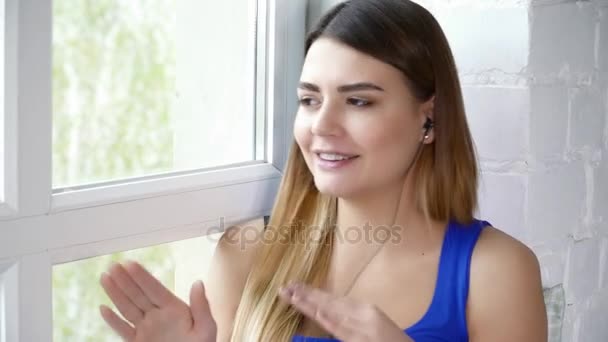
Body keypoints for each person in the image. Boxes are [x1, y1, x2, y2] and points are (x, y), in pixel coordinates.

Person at [99, 0, 549, 341]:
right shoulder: (246, 255)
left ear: (428, 119)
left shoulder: (496, 271)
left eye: (358, 101)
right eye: (310, 100)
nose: (322, 126)